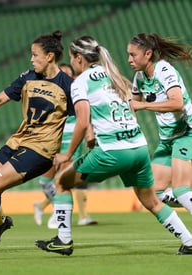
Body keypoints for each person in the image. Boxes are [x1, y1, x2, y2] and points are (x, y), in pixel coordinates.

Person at [35, 35, 192, 256]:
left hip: (113, 151)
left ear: (79, 58)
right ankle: (189, 241)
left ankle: (63, 240)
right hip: (138, 148)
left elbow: (81, 122)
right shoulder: (113, 74)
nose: (71, 61)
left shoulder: (80, 82)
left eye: (71, 57)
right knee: (151, 200)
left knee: (61, 180)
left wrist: (67, 154)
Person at [0, 30, 74, 253]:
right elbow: (1, 97)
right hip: (18, 141)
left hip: (41, 150)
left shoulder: (68, 85)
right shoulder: (27, 77)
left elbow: (84, 116)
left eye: (35, 54)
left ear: (49, 56)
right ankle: (0, 223)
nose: (31, 59)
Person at [127, 33, 192, 211]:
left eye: (133, 55)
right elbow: (132, 104)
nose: (129, 59)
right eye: (128, 55)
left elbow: (177, 103)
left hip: (187, 132)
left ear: (148, 54)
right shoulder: (139, 77)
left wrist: (143, 105)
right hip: (167, 139)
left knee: (181, 190)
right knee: (154, 193)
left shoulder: (164, 70)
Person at [34, 63, 98, 228]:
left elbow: (85, 116)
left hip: (71, 142)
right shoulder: (48, 94)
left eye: (68, 74)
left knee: (63, 179)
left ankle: (61, 217)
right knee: (45, 181)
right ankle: (45, 207)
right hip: (53, 141)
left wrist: (89, 133)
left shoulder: (77, 93)